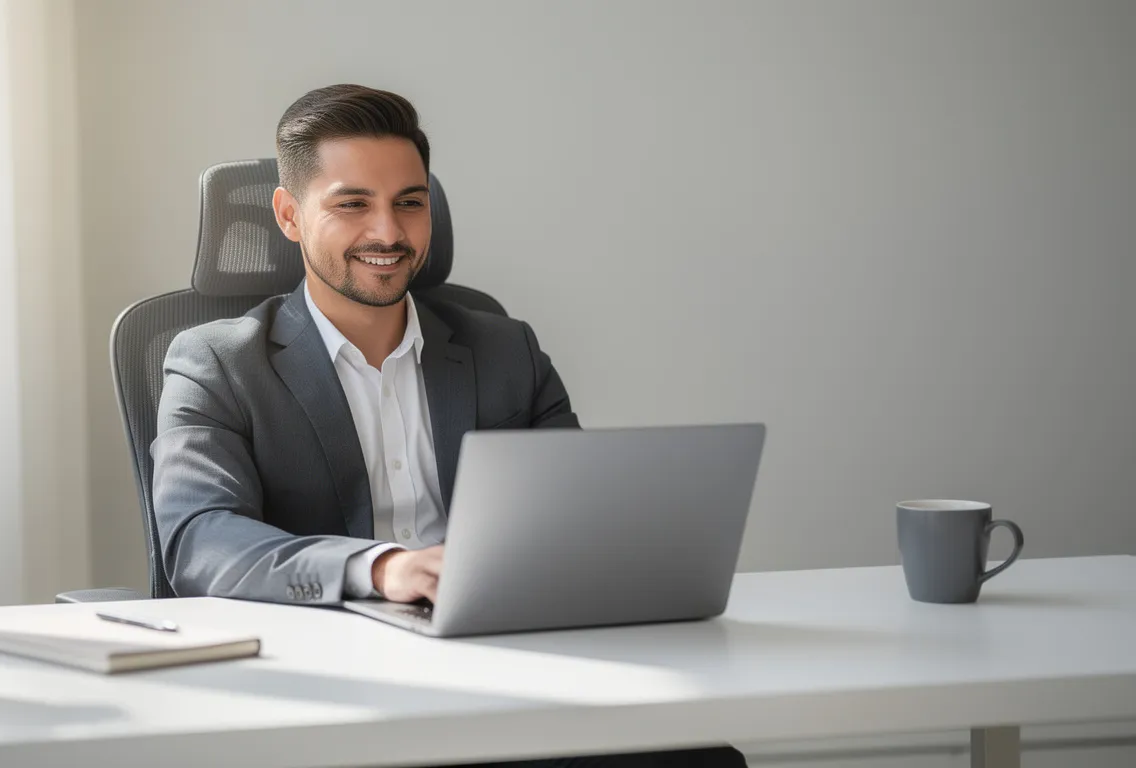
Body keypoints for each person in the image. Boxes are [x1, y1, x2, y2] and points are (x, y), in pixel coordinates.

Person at [150, 84, 746, 768]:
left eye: (410, 202)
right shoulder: (217, 361)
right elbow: (200, 539)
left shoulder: (504, 350)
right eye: (352, 204)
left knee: (699, 756)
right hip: (324, 685)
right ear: (289, 215)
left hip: (500, 669)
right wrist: (382, 568)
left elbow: (573, 517)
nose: (389, 233)